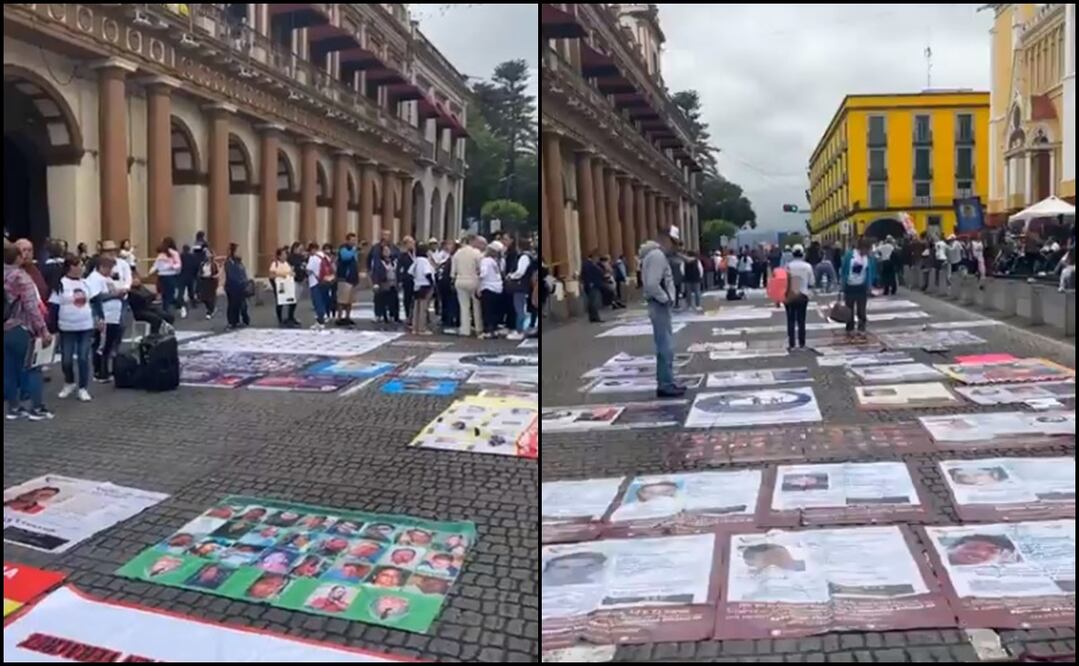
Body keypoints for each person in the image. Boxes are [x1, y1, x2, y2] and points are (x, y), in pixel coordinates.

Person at [5, 243, 54, 420]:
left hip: (5, 329)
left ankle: (13, 408)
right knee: (34, 367)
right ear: (18, 257)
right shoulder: (21, 277)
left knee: (9, 369)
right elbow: (32, 307)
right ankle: (37, 407)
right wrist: (43, 330)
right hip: (21, 326)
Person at [641, 226, 684, 398]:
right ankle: (666, 384)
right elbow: (652, 284)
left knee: (665, 344)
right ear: (666, 239)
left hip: (658, 303)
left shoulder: (655, 256)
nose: (675, 247)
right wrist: (665, 299)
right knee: (665, 345)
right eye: (674, 243)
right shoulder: (657, 256)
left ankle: (667, 381)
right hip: (659, 304)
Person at [51, 253, 102, 402]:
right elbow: (53, 305)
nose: (81, 268)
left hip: (85, 325)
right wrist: (52, 327)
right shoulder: (60, 284)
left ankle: (83, 388)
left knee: (83, 357)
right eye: (78, 265)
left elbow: (95, 300)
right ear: (70, 267)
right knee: (66, 359)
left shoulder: (86, 283)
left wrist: (99, 318)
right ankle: (69, 382)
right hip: (67, 327)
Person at [84, 249, 129, 382]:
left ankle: (105, 370)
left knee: (109, 345)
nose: (111, 271)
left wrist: (120, 293)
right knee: (101, 345)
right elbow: (96, 297)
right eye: (109, 268)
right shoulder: (94, 279)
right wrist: (115, 295)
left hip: (113, 316)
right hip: (104, 316)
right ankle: (99, 372)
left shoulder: (107, 278)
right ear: (102, 267)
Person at [840, 236, 876, 339]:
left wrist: (869, 285)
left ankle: (861, 328)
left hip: (861, 286)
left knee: (861, 310)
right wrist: (842, 284)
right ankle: (850, 328)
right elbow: (843, 270)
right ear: (861, 247)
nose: (867, 251)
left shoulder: (868, 258)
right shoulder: (849, 255)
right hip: (850, 286)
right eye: (866, 249)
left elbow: (870, 272)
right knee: (849, 309)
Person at [782, 244, 815, 350]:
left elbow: (783, 282)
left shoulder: (787, 266)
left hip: (790, 295)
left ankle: (791, 343)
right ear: (802, 253)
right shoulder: (807, 266)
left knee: (790, 320)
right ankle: (802, 343)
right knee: (801, 320)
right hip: (802, 295)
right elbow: (812, 282)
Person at [451, 234, 482, 337]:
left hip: (460, 280)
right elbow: (481, 268)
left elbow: (453, 272)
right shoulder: (476, 253)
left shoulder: (457, 253)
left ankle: (465, 329)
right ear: (472, 241)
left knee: (464, 306)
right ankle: (478, 327)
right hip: (473, 280)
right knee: (476, 305)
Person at [504, 238, 535, 339]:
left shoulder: (523, 257)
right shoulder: (529, 256)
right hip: (524, 285)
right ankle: (521, 330)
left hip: (519, 286)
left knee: (519, 309)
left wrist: (511, 276)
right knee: (521, 308)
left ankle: (519, 331)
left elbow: (520, 272)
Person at [148, 237, 182, 315]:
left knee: (170, 295)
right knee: (163, 294)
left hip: (170, 275)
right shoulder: (161, 254)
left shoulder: (174, 253)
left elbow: (178, 264)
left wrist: (171, 266)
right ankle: (165, 311)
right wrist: (150, 271)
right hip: (161, 276)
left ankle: (178, 306)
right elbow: (156, 264)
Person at [479, 242, 504, 339]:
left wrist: (478, 276)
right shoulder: (497, 261)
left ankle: (488, 331)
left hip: (488, 287)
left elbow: (483, 273)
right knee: (495, 311)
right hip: (498, 287)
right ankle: (494, 329)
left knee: (487, 310)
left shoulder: (485, 261)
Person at [305, 243, 333, 328]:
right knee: (324, 299)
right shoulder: (325, 256)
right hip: (325, 280)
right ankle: (325, 315)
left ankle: (320, 320)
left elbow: (309, 270)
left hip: (315, 282)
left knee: (317, 301)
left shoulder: (313, 258)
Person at [269, 247, 299, 327]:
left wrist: (292, 274)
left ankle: (290, 317)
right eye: (283, 254)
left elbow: (290, 272)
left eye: (285, 254)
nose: (285, 256)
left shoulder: (286, 263)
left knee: (292, 301)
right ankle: (280, 319)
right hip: (280, 286)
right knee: (280, 302)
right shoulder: (275, 264)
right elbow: (271, 275)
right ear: (279, 256)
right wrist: (280, 275)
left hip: (288, 285)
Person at [335, 233, 361, 327]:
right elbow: (345, 257)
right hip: (344, 278)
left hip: (353, 278)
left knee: (350, 300)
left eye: (355, 240)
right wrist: (354, 251)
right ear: (347, 240)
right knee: (342, 300)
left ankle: (347, 317)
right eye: (352, 240)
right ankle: (339, 317)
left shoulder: (354, 250)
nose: (354, 242)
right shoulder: (343, 248)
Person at [224, 243, 251, 329]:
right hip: (232, 287)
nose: (240, 253)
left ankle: (243, 320)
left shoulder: (239, 262)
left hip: (241, 287)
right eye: (238, 251)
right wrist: (241, 282)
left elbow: (243, 273)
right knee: (233, 305)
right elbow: (232, 275)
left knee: (242, 305)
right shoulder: (229, 262)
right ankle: (233, 322)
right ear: (233, 252)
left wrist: (246, 281)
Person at [409, 244, 435, 334]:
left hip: (417, 285)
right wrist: (432, 283)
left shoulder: (416, 261)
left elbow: (410, 272)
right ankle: (422, 328)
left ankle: (415, 327)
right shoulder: (425, 261)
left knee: (416, 307)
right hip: (425, 285)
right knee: (423, 308)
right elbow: (427, 273)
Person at [371, 243, 399, 325]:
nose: (387, 252)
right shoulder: (378, 262)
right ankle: (379, 315)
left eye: (388, 250)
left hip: (393, 283)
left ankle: (392, 315)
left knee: (393, 300)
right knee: (380, 300)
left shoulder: (394, 261)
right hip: (382, 283)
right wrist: (375, 283)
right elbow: (375, 272)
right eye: (385, 251)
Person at [436, 240, 459, 331]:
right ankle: (447, 319)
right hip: (446, 283)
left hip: (447, 282)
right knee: (449, 302)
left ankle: (448, 319)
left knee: (449, 302)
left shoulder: (452, 258)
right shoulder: (451, 258)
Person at [580, 249, 604, 323]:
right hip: (592, 285)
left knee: (593, 301)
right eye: (597, 257)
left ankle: (593, 317)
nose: (598, 259)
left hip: (595, 285)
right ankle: (595, 317)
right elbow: (587, 275)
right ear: (593, 257)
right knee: (593, 302)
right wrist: (590, 283)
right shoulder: (588, 264)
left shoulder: (593, 264)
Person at [196, 244, 219, 319]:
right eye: (206, 254)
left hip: (211, 281)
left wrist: (215, 277)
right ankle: (210, 309)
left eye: (208, 254)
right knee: (204, 297)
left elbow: (217, 272)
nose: (207, 255)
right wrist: (200, 275)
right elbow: (199, 271)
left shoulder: (214, 264)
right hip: (204, 280)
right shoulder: (203, 264)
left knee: (211, 297)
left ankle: (210, 311)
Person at [397, 236, 415, 328]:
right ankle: (408, 316)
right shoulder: (403, 255)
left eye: (412, 242)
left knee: (416, 299)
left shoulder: (417, 254)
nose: (412, 244)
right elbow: (399, 268)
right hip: (407, 279)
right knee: (407, 298)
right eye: (410, 243)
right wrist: (399, 280)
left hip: (416, 279)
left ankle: (415, 317)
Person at [179, 244, 199, 316]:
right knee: (191, 291)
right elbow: (196, 266)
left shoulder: (180, 256)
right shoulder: (193, 257)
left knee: (181, 291)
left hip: (182, 276)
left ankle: (181, 304)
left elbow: (179, 266)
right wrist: (195, 274)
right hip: (191, 276)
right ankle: (193, 303)